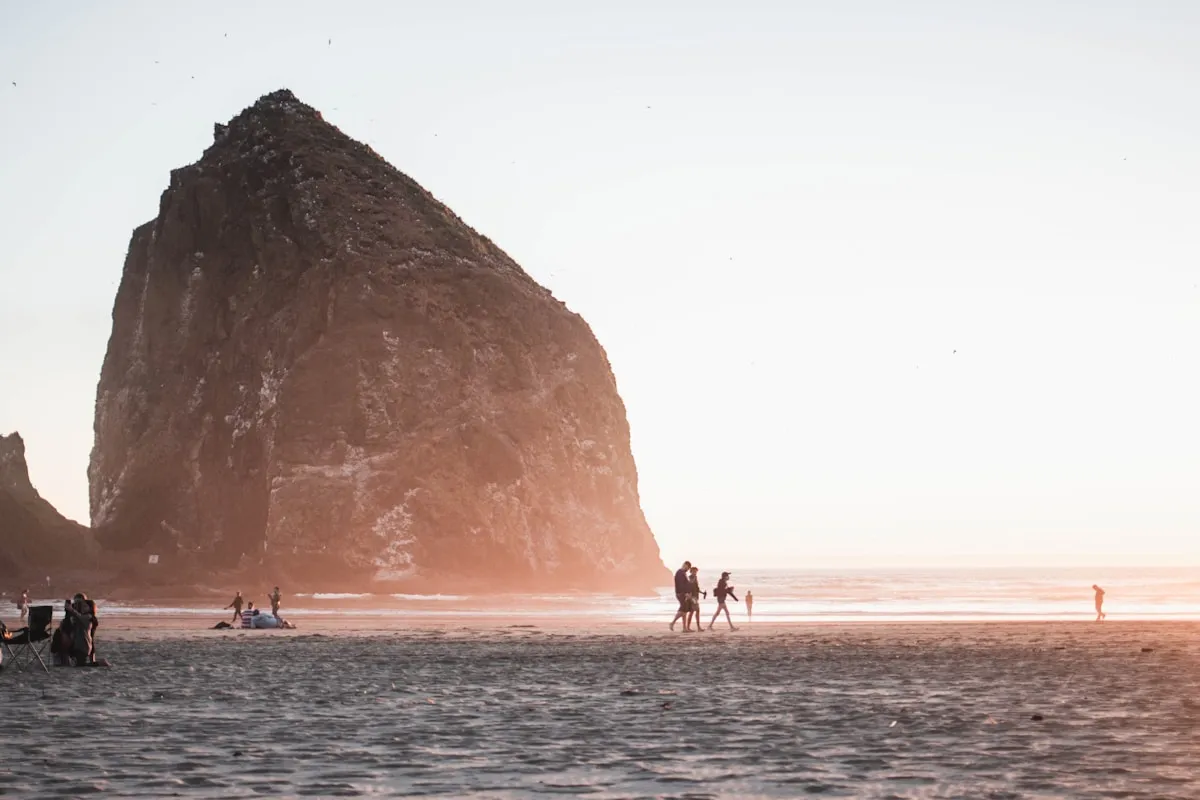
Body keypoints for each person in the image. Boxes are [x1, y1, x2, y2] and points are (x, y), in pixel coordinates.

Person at [669, 561, 693, 631]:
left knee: (684, 610)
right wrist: (686, 593)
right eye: (688, 568)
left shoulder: (683, 573)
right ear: (685, 565)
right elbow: (680, 585)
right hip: (681, 593)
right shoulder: (679, 573)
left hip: (683, 593)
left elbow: (686, 584)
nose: (688, 570)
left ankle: (684, 628)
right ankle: (672, 623)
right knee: (683, 610)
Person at [685, 566, 706, 633]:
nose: (695, 572)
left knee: (693, 612)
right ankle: (696, 628)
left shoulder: (695, 578)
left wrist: (702, 593)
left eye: (696, 571)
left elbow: (696, 588)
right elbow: (690, 584)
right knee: (695, 611)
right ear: (691, 571)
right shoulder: (691, 577)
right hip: (693, 597)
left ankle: (690, 627)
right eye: (694, 571)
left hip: (695, 597)